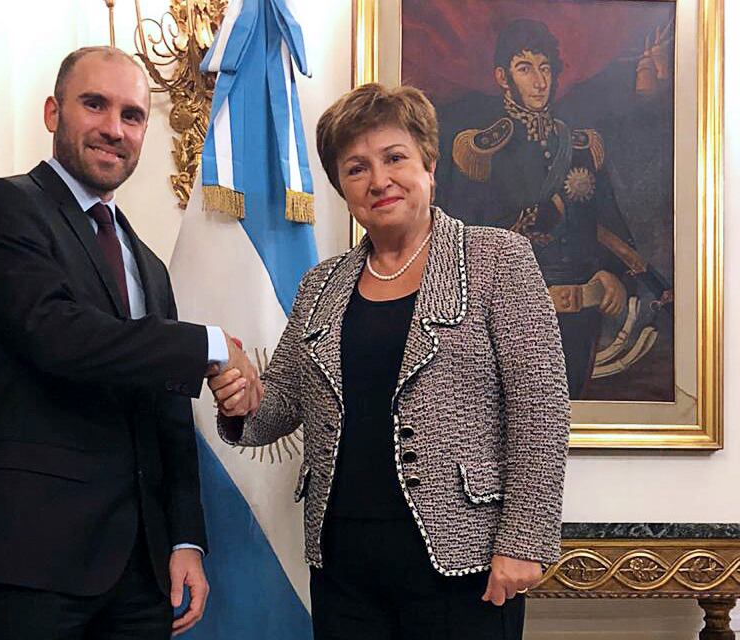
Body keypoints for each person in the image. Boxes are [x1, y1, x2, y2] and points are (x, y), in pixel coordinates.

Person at [209, 83, 570, 639]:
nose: (378, 180)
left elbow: (540, 411)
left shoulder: (499, 259)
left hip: (462, 564)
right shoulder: (320, 285)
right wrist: (245, 398)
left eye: (394, 158)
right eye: (356, 168)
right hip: (344, 565)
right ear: (342, 188)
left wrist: (524, 542)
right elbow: (281, 402)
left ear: (428, 165)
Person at [0, 46, 259, 640]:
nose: (114, 129)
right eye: (95, 104)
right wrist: (211, 345)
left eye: (133, 115)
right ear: (53, 112)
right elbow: (60, 339)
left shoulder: (147, 263)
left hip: (141, 574)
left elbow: (167, 414)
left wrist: (185, 538)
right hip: (32, 562)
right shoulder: (4, 206)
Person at [437, 18, 647, 399]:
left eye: (545, 68)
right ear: (503, 77)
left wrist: (613, 274)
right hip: (509, 320)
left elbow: (606, 225)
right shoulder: (480, 150)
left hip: (581, 318)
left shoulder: (581, 146)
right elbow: (459, 242)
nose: (539, 81)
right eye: (525, 68)